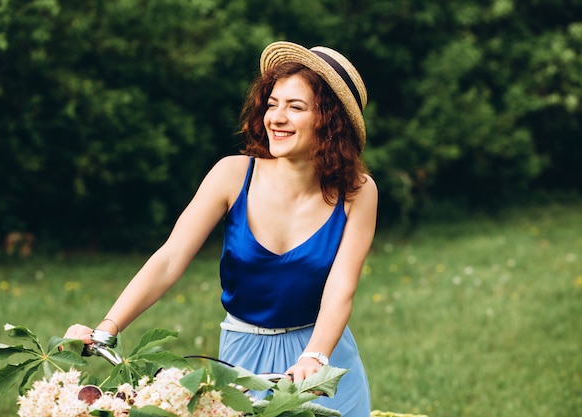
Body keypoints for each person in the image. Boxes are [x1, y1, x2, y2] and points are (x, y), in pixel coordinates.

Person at [64, 41, 377, 416]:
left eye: (295, 107)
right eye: (273, 104)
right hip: (241, 359)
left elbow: (341, 287)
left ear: (330, 121)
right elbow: (170, 258)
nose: (276, 117)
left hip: (321, 356)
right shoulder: (233, 174)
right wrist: (106, 328)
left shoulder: (357, 191)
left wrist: (315, 356)